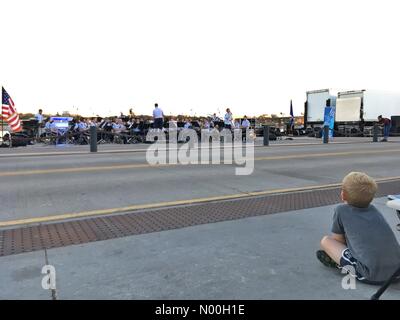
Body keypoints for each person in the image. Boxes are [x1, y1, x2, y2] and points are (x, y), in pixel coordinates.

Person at [317, 172, 400, 284]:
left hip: (371, 274)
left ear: (343, 195)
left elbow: (338, 241)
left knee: (326, 241)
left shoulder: (341, 210)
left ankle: (338, 262)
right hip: (397, 271)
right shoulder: (374, 210)